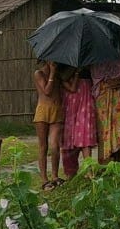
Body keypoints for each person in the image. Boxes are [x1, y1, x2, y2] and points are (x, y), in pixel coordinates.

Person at [93, 46, 120, 167]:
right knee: (105, 126)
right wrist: (106, 80)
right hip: (103, 90)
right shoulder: (97, 42)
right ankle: (107, 160)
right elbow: (94, 66)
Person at [59, 65, 97, 179]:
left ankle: (89, 171)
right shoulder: (62, 64)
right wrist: (76, 71)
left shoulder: (89, 60)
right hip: (70, 100)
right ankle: (70, 172)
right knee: (69, 137)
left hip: (85, 95)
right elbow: (69, 85)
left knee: (85, 134)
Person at [33, 60, 63, 189]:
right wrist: (52, 73)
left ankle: (55, 176)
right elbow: (47, 91)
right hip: (43, 111)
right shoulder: (38, 74)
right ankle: (44, 179)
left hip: (56, 111)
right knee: (43, 146)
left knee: (55, 146)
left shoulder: (59, 74)